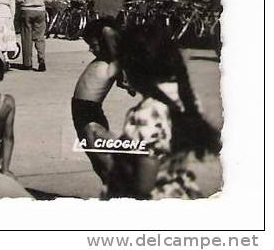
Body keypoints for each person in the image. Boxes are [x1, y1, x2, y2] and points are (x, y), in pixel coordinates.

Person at [92, 24, 221, 199]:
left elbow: (145, 182)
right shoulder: (183, 96)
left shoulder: (146, 114)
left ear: (133, 68)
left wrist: (116, 151)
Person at [72, 17, 121, 182]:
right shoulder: (110, 59)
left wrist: (104, 30)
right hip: (83, 112)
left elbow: (108, 32)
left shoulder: (116, 59)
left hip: (89, 114)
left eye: (94, 44)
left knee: (104, 162)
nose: (91, 49)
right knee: (98, 163)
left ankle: (124, 196)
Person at [15, 0, 53, 71]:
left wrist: (25, 1)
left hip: (26, 10)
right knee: (40, 37)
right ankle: (41, 59)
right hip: (40, 10)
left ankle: (27, 63)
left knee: (26, 37)